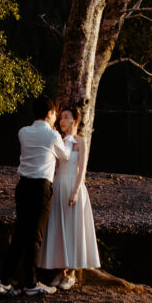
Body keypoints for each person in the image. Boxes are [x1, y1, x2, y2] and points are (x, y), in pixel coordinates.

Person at [0, 95, 69, 297]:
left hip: (23, 186)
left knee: (20, 235)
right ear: (49, 114)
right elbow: (65, 157)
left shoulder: (23, 132)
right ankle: (31, 284)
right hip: (40, 188)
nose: (55, 117)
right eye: (54, 114)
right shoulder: (52, 136)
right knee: (35, 236)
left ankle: (4, 281)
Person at [38, 105, 100, 289]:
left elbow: (82, 169)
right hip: (58, 185)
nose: (62, 120)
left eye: (66, 117)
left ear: (75, 121)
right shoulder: (59, 140)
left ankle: (72, 272)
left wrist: (75, 191)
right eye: (61, 117)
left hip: (74, 186)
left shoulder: (80, 142)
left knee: (74, 228)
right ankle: (60, 271)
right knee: (58, 227)